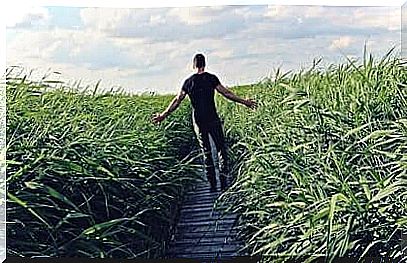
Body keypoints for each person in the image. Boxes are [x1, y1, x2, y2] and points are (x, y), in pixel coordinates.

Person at [152, 53, 256, 192]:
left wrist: (163, 115)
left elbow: (177, 100)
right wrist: (245, 102)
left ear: (194, 65)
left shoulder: (188, 82)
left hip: (199, 121)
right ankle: (224, 182)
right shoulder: (211, 79)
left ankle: (212, 185)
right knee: (221, 150)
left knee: (206, 152)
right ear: (204, 64)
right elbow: (227, 94)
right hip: (212, 118)